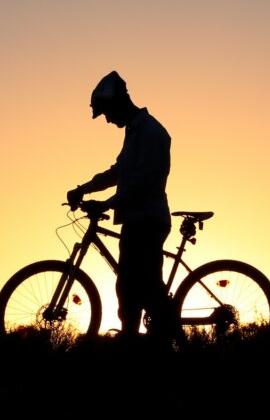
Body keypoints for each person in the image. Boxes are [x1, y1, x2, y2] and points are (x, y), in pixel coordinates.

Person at [67, 70, 173, 343]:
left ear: (119, 102)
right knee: (129, 285)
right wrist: (83, 189)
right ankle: (135, 340)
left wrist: (107, 203)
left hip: (147, 220)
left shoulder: (150, 132)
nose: (107, 119)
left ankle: (167, 339)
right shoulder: (135, 131)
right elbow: (118, 173)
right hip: (137, 219)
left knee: (141, 284)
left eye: (107, 112)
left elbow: (141, 183)